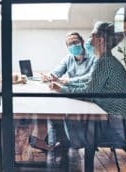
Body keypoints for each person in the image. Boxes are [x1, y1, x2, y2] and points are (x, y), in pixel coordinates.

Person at [50, 21, 126, 149]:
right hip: (117, 122)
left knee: (65, 116)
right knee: (67, 114)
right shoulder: (105, 60)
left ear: (100, 40)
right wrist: (65, 86)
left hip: (116, 127)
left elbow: (88, 92)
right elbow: (89, 82)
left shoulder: (104, 62)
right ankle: (62, 149)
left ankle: (64, 150)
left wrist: (62, 89)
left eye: (91, 36)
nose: (88, 40)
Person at [29, 32, 97, 161]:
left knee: (57, 110)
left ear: (82, 42)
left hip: (87, 97)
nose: (73, 45)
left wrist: (68, 81)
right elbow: (57, 72)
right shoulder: (69, 58)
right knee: (51, 107)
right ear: (67, 47)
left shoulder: (93, 58)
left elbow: (90, 78)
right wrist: (50, 76)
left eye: (75, 42)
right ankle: (55, 143)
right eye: (70, 44)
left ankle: (62, 142)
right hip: (73, 94)